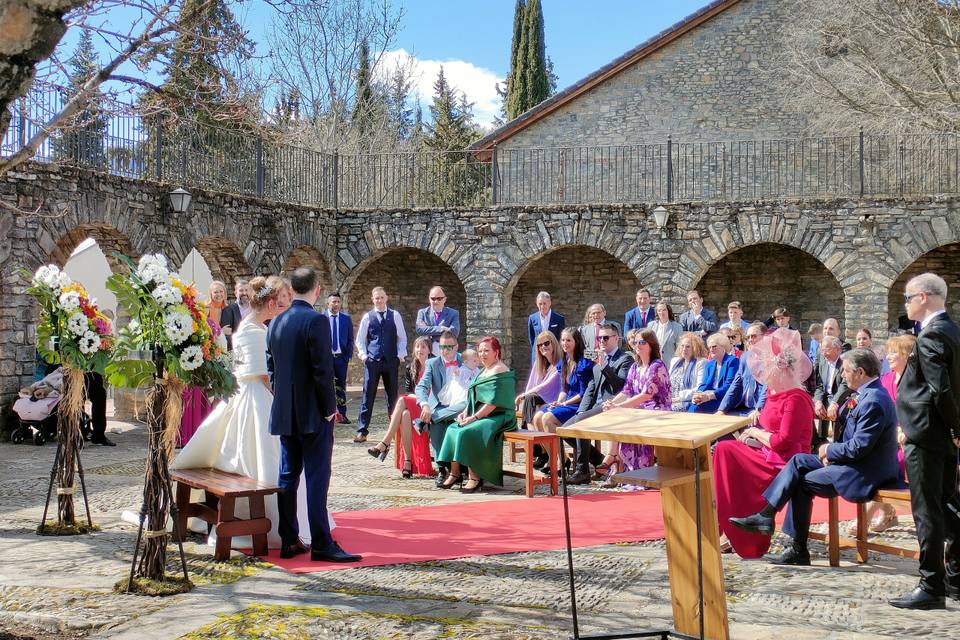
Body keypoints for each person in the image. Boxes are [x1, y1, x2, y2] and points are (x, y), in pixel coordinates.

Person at [172, 276, 329, 549]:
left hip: (242, 395)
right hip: (258, 398)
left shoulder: (248, 327)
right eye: (280, 299)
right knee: (270, 460)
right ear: (270, 302)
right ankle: (275, 526)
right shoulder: (257, 332)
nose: (283, 304)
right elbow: (265, 375)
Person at [729, 348, 900, 567]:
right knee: (799, 460)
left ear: (860, 372)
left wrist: (829, 451)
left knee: (801, 481)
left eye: (845, 371)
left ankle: (796, 547)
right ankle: (767, 516)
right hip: (852, 461)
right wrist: (832, 452)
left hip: (866, 471)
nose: (842, 376)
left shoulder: (873, 400)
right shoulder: (865, 394)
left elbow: (860, 448)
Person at [267, 267, 359, 563]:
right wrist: (331, 409)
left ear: (291, 290)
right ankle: (321, 542)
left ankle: (289, 538)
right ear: (317, 289)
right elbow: (323, 371)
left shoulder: (275, 322)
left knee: (287, 476)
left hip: (284, 411)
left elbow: (273, 369)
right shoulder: (317, 321)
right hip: (313, 414)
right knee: (317, 476)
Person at [889, 273, 960, 611]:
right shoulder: (953, 331)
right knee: (944, 503)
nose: (906, 304)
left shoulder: (932, 336)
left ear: (925, 297)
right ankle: (956, 575)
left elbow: (941, 390)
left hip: (926, 434)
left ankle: (931, 585)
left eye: (908, 297)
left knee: (927, 511)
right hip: (940, 435)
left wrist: (955, 428)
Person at [713, 327, 814, 558]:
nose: (764, 373)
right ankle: (728, 525)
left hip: (786, 461)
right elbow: (770, 431)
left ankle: (742, 532)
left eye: (768, 368)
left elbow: (782, 441)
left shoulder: (797, 398)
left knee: (727, 453)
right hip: (768, 452)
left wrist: (756, 434)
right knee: (724, 449)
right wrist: (753, 437)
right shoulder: (774, 394)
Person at [594, 328, 672, 488]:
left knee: (624, 415)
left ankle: (614, 460)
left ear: (651, 344)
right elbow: (627, 391)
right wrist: (612, 403)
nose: (638, 345)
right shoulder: (635, 367)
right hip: (638, 408)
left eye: (642, 342)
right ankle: (619, 465)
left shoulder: (657, 365)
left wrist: (619, 406)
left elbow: (647, 394)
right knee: (616, 414)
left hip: (657, 409)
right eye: (636, 342)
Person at [437, 336, 516, 493]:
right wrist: (466, 412)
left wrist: (474, 417)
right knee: (454, 428)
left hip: (499, 416)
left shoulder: (499, 369)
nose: (483, 354)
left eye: (487, 350)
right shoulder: (483, 370)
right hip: (484, 413)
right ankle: (455, 473)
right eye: (480, 351)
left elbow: (493, 402)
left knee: (468, 431)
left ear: (496, 352)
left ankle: (475, 477)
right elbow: (474, 396)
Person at [856, 333, 917, 535]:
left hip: (911, 440)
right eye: (889, 352)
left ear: (907, 355)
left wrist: (905, 430)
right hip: (888, 437)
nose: (889, 356)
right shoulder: (886, 379)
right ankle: (888, 512)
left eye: (894, 352)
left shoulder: (918, 381)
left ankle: (867, 516)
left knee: (887, 465)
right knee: (874, 459)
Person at [559, 323, 634, 485]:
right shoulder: (599, 360)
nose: (602, 341)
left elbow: (620, 387)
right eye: (599, 338)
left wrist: (605, 367)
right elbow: (590, 390)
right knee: (565, 430)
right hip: (596, 407)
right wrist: (581, 411)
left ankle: (582, 470)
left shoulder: (625, 359)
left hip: (611, 407)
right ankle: (599, 460)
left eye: (605, 338)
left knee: (580, 424)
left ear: (616, 339)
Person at [366, 336, 434, 478]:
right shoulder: (411, 367)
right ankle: (408, 461)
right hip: (415, 405)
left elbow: (436, 392)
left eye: (423, 347)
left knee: (402, 400)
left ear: (429, 350)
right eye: (417, 347)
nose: (419, 350)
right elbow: (410, 390)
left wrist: (422, 400)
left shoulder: (434, 364)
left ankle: (385, 442)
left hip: (430, 406)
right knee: (405, 415)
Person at [354, 286, 408, 443]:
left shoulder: (395, 315)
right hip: (373, 362)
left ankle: (395, 429)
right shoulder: (367, 317)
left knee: (392, 396)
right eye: (376, 298)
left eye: (381, 297)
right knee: (367, 396)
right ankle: (362, 430)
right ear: (372, 299)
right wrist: (364, 357)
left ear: (386, 298)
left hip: (391, 361)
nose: (379, 300)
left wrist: (399, 356)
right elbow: (360, 339)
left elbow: (402, 337)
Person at [415, 331, 467, 486]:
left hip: (460, 405)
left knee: (460, 406)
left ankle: (424, 421)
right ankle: (442, 469)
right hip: (440, 406)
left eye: (450, 347)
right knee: (437, 426)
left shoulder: (465, 360)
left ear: (457, 346)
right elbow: (421, 387)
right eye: (443, 347)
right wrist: (425, 404)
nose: (446, 351)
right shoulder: (433, 363)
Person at [532, 328, 593, 439]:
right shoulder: (564, 362)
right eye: (563, 340)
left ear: (576, 342)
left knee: (547, 418)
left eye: (569, 340)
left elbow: (583, 394)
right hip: (566, 403)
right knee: (537, 417)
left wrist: (565, 404)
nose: (565, 343)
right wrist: (558, 402)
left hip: (579, 406)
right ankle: (554, 455)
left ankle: (559, 455)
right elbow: (564, 389)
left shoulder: (584, 364)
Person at [515, 330, 562, 468]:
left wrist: (524, 395)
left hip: (553, 396)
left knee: (530, 399)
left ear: (553, 343)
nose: (543, 347)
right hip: (538, 398)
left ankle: (538, 447)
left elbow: (549, 385)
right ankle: (541, 449)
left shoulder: (559, 362)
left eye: (546, 343)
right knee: (529, 401)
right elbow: (532, 383)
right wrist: (525, 396)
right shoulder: (539, 363)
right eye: (540, 345)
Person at [717, 322, 767, 420]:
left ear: (765, 337)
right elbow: (736, 384)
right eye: (747, 337)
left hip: (761, 409)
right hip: (742, 407)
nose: (750, 340)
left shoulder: (771, 359)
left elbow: (767, 387)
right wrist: (722, 410)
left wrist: (759, 410)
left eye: (753, 336)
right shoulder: (745, 357)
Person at [812, 336, 852, 446]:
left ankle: (838, 443)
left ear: (838, 349)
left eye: (827, 350)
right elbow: (819, 384)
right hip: (825, 397)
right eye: (822, 349)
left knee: (837, 411)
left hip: (842, 397)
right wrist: (818, 401)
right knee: (809, 407)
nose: (824, 353)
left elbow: (845, 385)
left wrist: (835, 403)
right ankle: (817, 442)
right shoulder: (822, 360)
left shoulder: (845, 361)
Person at [322, 292, 353, 423]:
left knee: (341, 386)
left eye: (338, 302)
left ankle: (342, 414)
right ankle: (326, 414)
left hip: (341, 358)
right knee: (325, 385)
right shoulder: (321, 318)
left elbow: (350, 338)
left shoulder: (346, 319)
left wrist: (347, 356)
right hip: (326, 358)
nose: (336, 304)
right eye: (333, 302)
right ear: (327, 303)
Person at [688, 333, 738, 413]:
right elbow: (704, 384)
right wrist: (698, 395)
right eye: (709, 347)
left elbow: (729, 385)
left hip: (724, 399)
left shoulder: (732, 361)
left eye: (714, 346)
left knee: (696, 408)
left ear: (723, 347)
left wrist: (710, 396)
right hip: (709, 397)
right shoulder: (709, 364)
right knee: (693, 405)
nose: (711, 349)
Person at [415, 286, 461, 357]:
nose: (436, 301)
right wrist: (441, 328)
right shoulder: (422, 313)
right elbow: (420, 330)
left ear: (445, 299)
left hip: (447, 351)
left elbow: (454, 332)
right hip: (428, 352)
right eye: (433, 299)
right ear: (429, 299)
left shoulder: (453, 313)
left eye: (439, 299)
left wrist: (429, 330)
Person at [669, 332, 708, 411]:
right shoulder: (674, 361)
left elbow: (699, 388)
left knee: (666, 409)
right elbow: (667, 383)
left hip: (687, 401)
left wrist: (679, 398)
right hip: (670, 399)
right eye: (682, 346)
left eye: (688, 347)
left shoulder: (701, 363)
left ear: (695, 348)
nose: (684, 349)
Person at [527, 291, 565, 361]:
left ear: (550, 303)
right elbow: (532, 338)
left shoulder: (559, 318)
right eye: (540, 304)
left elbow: (561, 338)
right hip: (538, 355)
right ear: (536, 304)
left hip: (554, 354)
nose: (542, 306)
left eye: (544, 303)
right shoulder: (532, 318)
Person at [220, 279, 252, 350]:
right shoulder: (228, 310)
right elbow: (227, 335)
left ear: (250, 292)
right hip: (237, 350)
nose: (244, 293)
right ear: (235, 293)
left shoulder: (255, 309)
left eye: (246, 290)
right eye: (241, 290)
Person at [84, 372, 112, 446]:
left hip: (93, 371)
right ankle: (76, 436)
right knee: (76, 402)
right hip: (74, 370)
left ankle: (98, 435)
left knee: (100, 396)